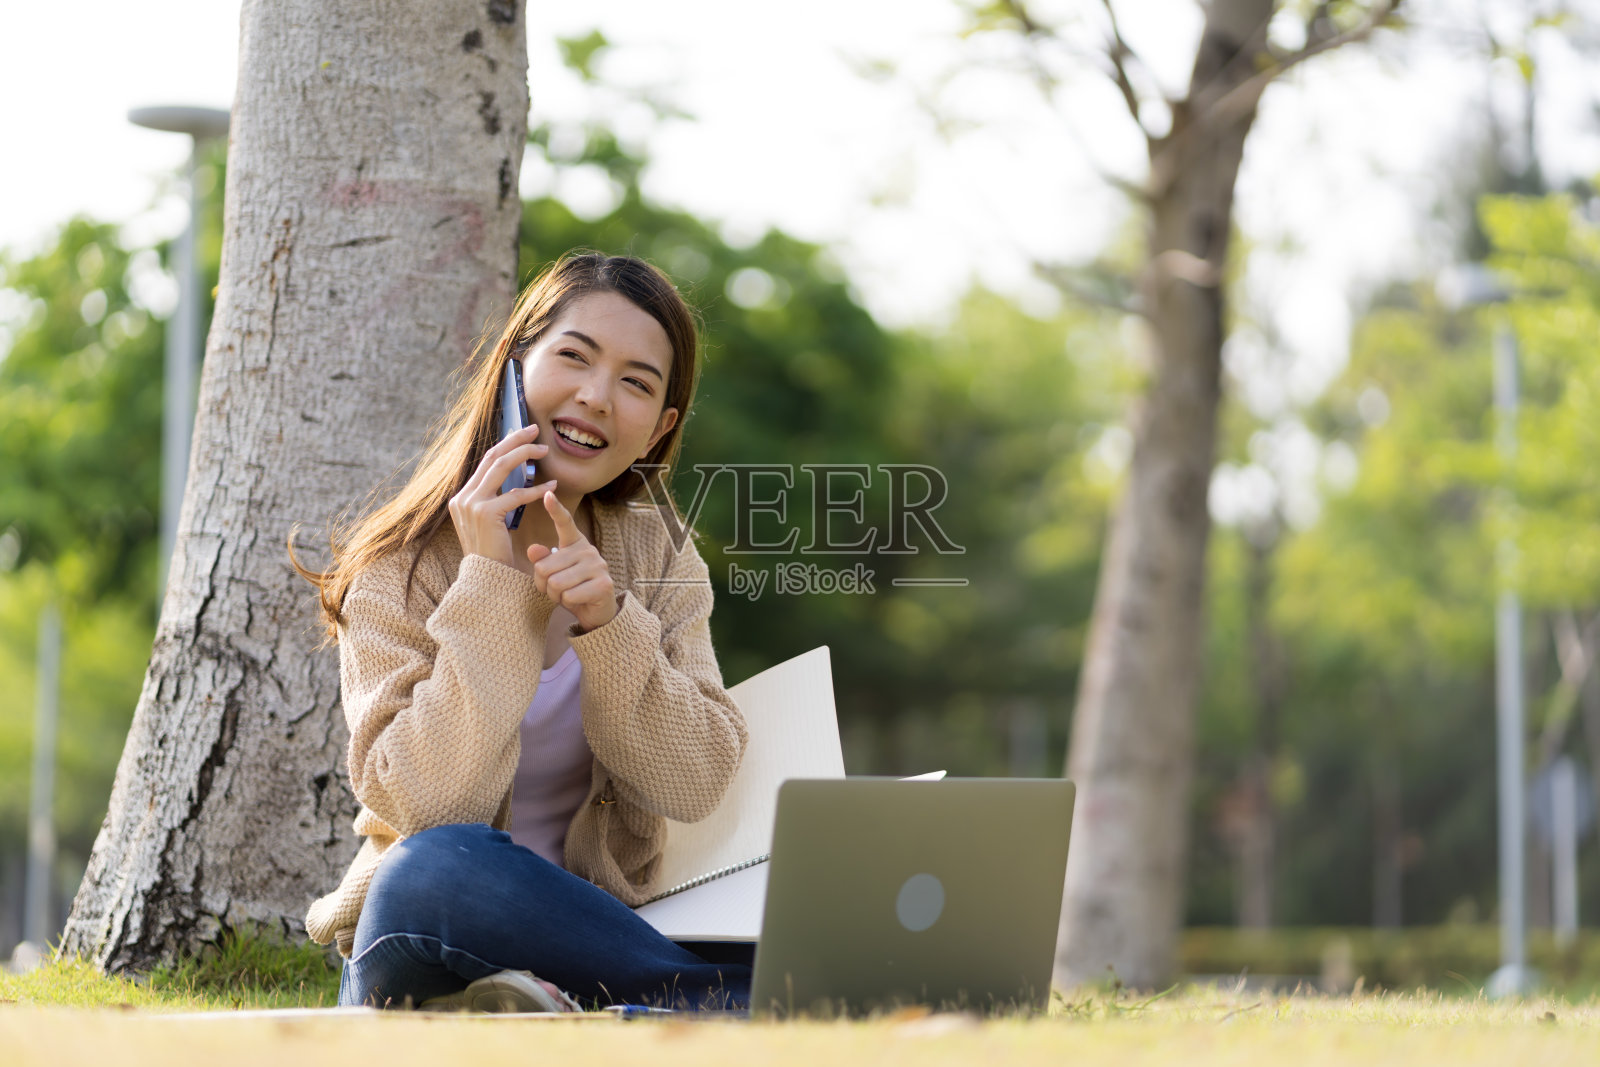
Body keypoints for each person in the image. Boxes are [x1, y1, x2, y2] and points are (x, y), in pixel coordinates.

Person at [292, 251, 750, 1012]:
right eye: (574, 357)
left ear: (659, 428)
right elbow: (426, 804)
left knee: (796, 915)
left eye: (637, 383)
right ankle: (736, 1004)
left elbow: (696, 779)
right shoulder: (400, 564)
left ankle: (605, 1010)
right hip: (430, 933)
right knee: (435, 866)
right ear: (513, 368)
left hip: (601, 936)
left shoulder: (659, 554)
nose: (596, 396)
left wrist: (611, 623)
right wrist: (491, 583)